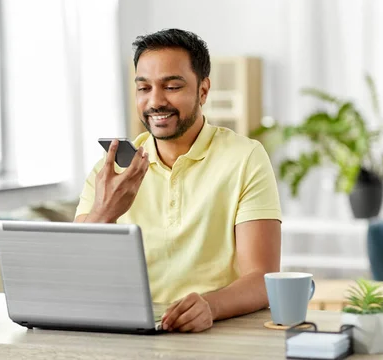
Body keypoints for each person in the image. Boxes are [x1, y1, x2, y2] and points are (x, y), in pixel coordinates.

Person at [75, 29, 281, 333]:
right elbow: (74, 274)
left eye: (171, 86)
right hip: (129, 330)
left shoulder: (246, 158)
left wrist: (210, 305)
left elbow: (262, 278)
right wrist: (105, 212)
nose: (155, 101)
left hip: (216, 330)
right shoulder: (109, 170)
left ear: (203, 91)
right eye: (143, 88)